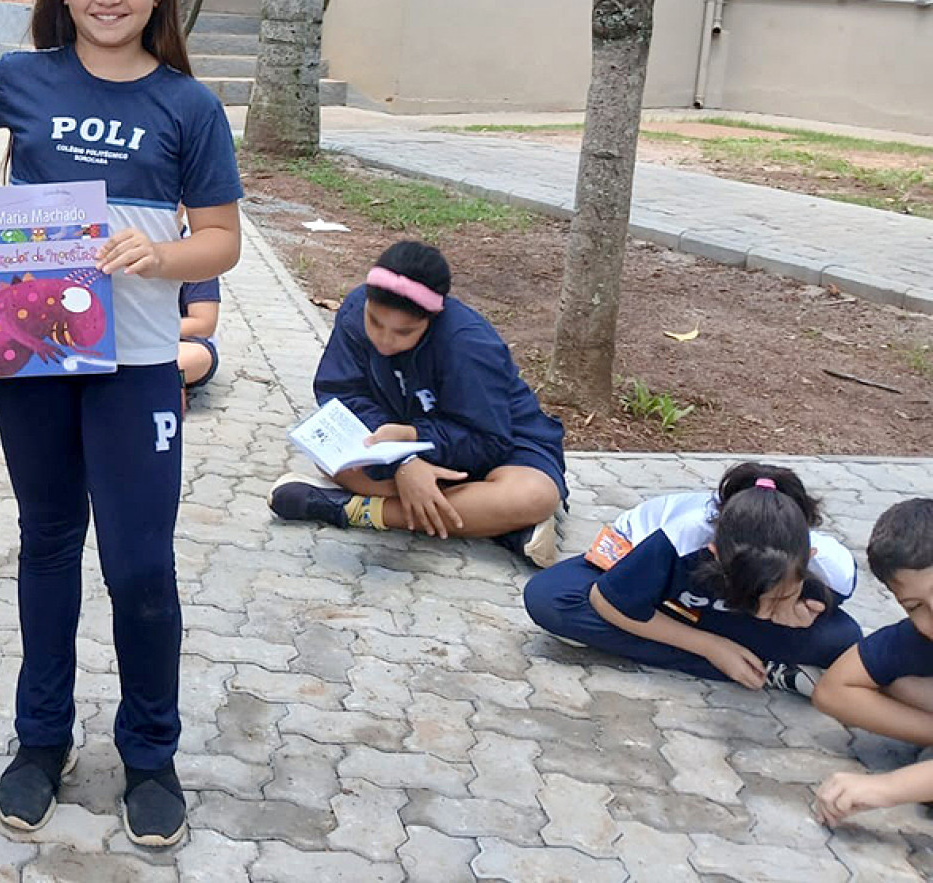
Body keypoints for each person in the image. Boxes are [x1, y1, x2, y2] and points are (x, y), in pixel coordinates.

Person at [0, 0, 242, 850]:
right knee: (47, 545)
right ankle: (40, 740)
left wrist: (159, 256)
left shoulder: (187, 105)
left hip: (136, 366)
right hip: (36, 355)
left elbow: (222, 238)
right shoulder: (16, 80)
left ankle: (150, 754)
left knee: (138, 565)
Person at [270, 240, 568, 567]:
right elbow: (341, 393)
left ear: (432, 318)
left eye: (404, 332)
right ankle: (495, 524)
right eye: (375, 322)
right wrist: (404, 462)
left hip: (504, 445)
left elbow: (488, 440)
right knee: (331, 458)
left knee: (534, 496)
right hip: (399, 444)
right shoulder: (355, 309)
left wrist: (413, 441)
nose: (384, 340)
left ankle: (351, 509)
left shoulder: (468, 342)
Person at [523, 462, 862, 695]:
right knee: (551, 599)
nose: (762, 613)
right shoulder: (682, 537)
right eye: (757, 600)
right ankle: (767, 668)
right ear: (715, 553)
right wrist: (711, 648)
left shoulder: (834, 570)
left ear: (809, 559)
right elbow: (606, 600)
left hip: (706, 612)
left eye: (777, 598)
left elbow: (838, 630)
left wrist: (799, 616)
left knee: (842, 640)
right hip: (648, 588)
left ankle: (738, 655)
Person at [814, 498, 933, 826]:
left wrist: (888, 788)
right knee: (901, 685)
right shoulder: (919, 637)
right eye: (915, 606)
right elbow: (833, 690)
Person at [178, 275, 220, 402]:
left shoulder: (196, 264)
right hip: (125, 342)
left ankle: (170, 380)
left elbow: (203, 324)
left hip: (177, 341)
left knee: (196, 356)